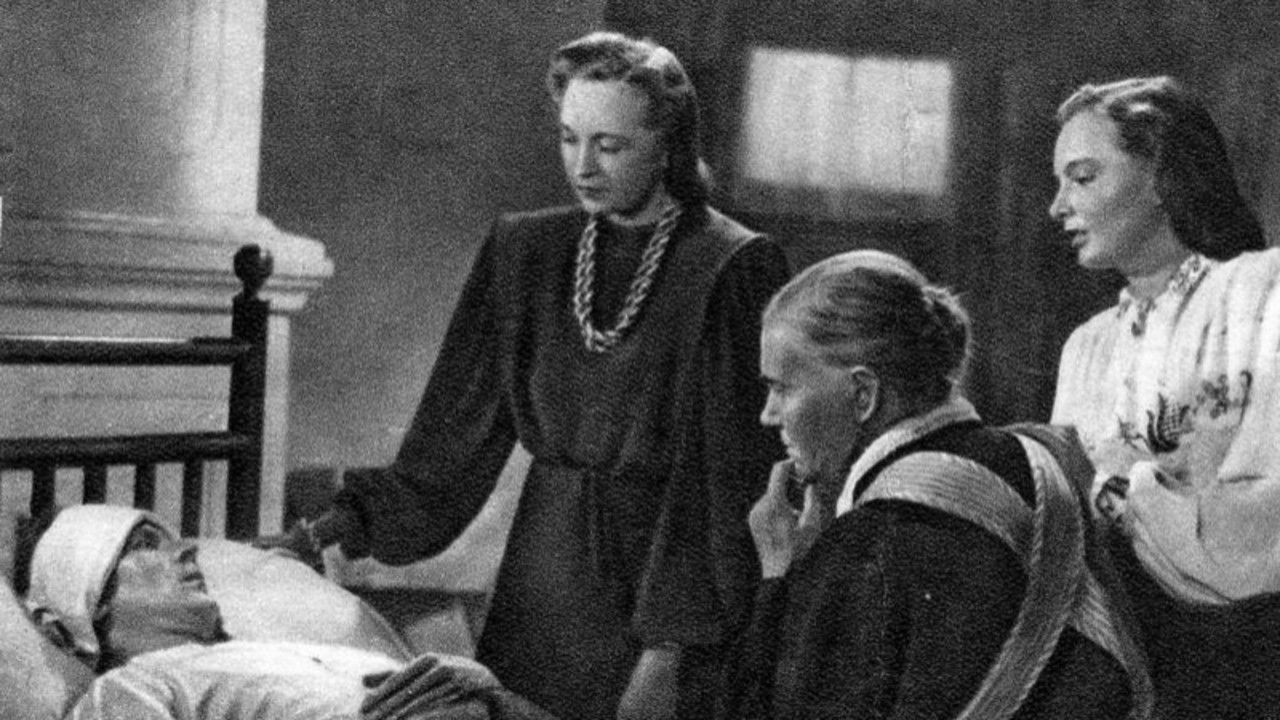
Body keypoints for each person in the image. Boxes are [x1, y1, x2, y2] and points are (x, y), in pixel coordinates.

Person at [258, 31, 790, 720]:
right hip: (545, 576)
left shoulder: (732, 264)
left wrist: (669, 650)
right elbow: (448, 444)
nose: (583, 166)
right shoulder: (525, 250)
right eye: (570, 139)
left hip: (670, 592)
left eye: (609, 145)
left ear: (668, 147)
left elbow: (722, 487)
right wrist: (319, 534)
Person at [722, 250, 1149, 719]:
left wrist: (779, 577)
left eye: (781, 389)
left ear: (863, 394)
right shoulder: (1041, 462)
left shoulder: (866, 542)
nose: (768, 415)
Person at [1047, 75, 1280, 718]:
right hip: (1114, 671)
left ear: (1158, 176)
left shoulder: (1261, 293)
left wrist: (1118, 486)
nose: (1058, 206)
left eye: (1082, 177)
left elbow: (1260, 532)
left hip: (1243, 668)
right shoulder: (1086, 346)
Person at [16, 503, 554, 720]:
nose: (185, 551)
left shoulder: (271, 647)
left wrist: (480, 689)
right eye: (144, 547)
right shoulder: (132, 687)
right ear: (84, 606)